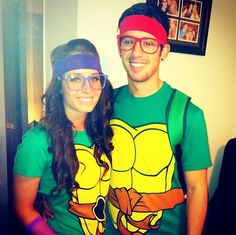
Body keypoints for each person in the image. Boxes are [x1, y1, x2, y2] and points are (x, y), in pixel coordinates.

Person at [105, 2, 211, 235]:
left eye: (149, 43)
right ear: (119, 46)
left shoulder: (188, 114)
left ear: (163, 51)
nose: (136, 52)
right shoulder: (104, 103)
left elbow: (196, 189)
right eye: (129, 40)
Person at [13, 38, 114, 235]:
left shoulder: (103, 130)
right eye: (75, 78)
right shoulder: (37, 142)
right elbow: (22, 208)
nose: (88, 88)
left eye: (94, 78)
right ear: (59, 84)